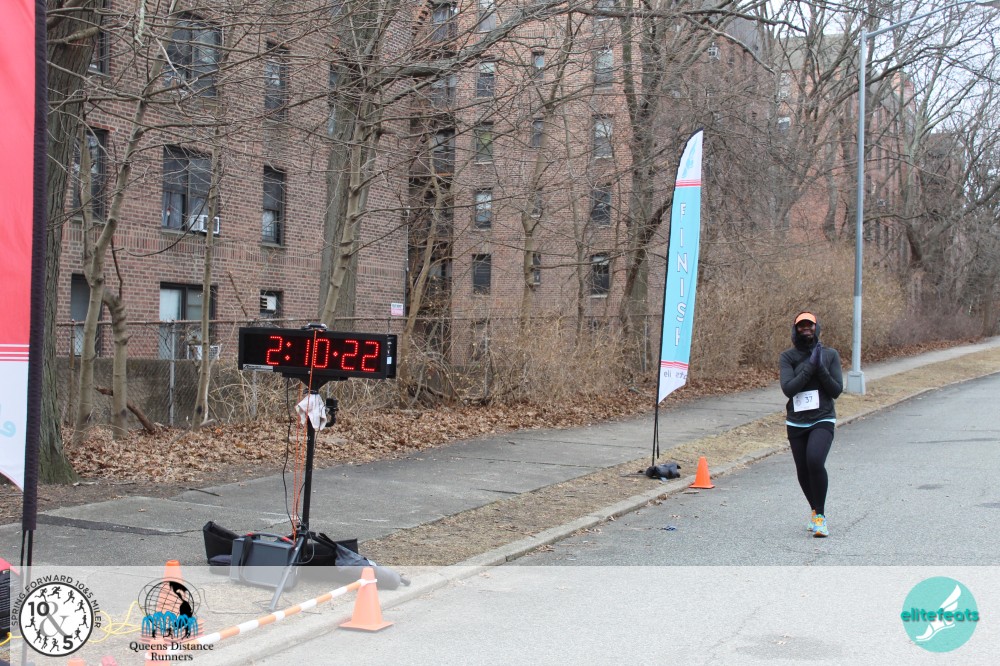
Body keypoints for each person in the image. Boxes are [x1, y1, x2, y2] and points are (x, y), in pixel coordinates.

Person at [779, 311, 843, 538]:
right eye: (801, 325)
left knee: (815, 460)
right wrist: (809, 367)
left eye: (810, 325)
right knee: (803, 470)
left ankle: (820, 517)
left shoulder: (830, 355)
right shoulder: (787, 357)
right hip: (796, 421)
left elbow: (836, 390)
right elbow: (789, 388)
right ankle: (815, 510)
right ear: (795, 329)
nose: (806, 328)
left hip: (822, 417)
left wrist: (820, 367)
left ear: (817, 327)